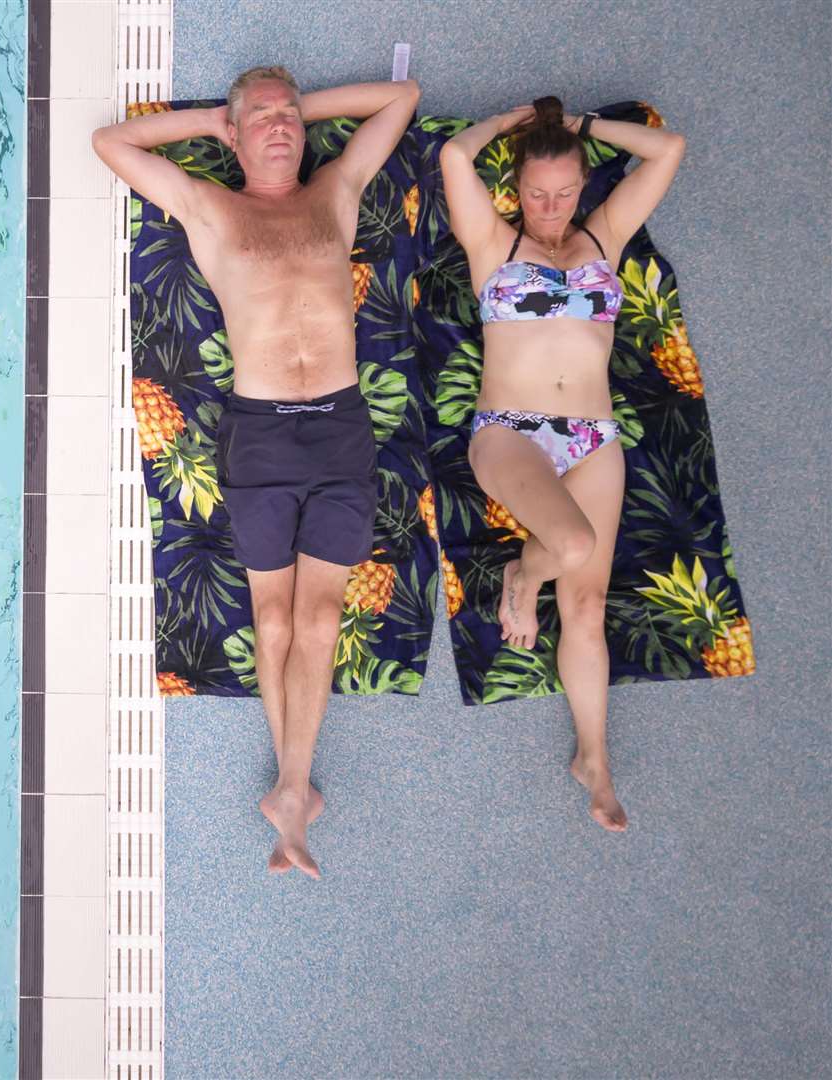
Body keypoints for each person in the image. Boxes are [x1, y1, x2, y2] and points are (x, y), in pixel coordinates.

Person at [94, 67, 420, 877]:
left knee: (316, 624)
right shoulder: (211, 206)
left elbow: (399, 101)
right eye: (261, 117)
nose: (280, 125)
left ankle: (292, 791)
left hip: (341, 429)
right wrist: (213, 117)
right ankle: (292, 793)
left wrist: (292, 109)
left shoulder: (334, 189)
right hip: (261, 435)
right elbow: (111, 141)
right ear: (232, 137)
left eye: (289, 114)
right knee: (274, 625)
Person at [440, 96, 685, 832]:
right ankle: (523, 573)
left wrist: (581, 128)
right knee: (571, 546)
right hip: (510, 431)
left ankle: (594, 761)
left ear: (583, 187)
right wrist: (513, 123)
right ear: (514, 189)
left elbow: (666, 149)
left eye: (565, 192)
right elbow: (456, 157)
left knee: (584, 605)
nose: (549, 208)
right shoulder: (493, 244)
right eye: (536, 194)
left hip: (593, 437)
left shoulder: (603, 238)